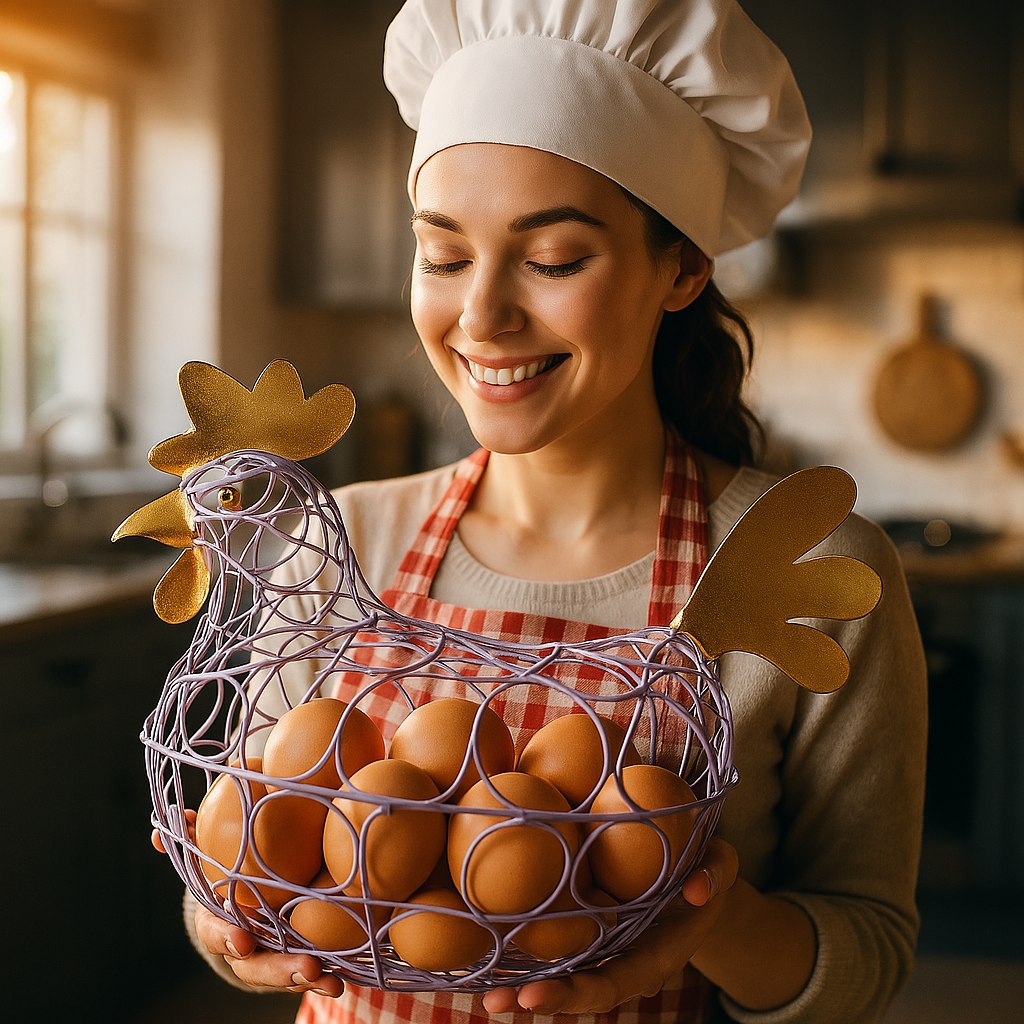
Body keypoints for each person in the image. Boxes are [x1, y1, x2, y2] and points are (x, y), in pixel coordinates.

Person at [177, 2, 928, 1022]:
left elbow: (867, 949)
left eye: (554, 257)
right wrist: (224, 921)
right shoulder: (335, 545)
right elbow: (259, 852)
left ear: (682, 267)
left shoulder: (806, 571)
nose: (480, 315)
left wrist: (709, 922)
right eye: (442, 255)